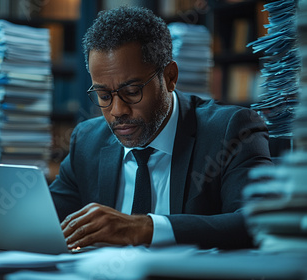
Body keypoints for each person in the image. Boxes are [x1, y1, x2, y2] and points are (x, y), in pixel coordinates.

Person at [49, 6, 272, 250]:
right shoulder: (87, 140)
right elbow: (45, 220)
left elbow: (256, 223)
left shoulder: (232, 130)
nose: (117, 110)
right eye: (103, 95)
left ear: (169, 77)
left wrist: (144, 228)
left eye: (132, 92)